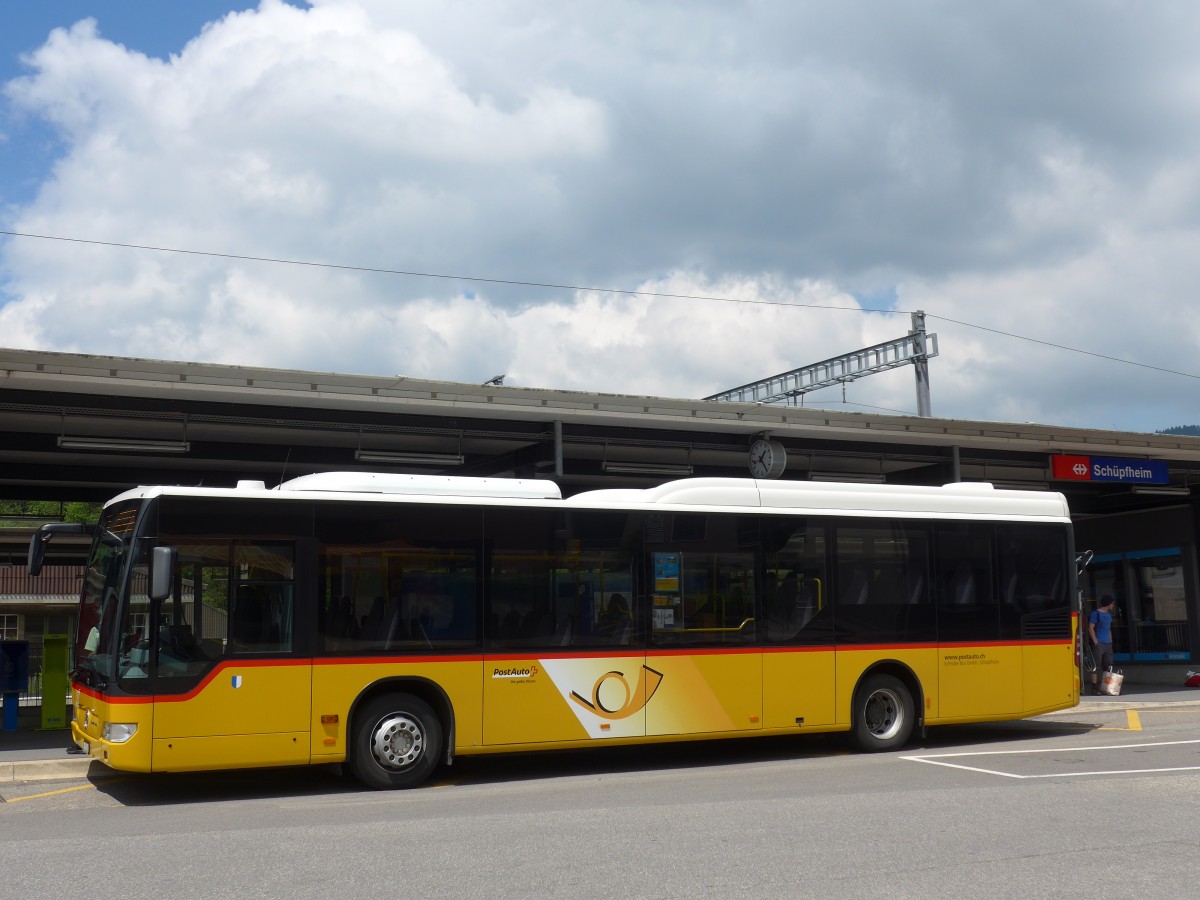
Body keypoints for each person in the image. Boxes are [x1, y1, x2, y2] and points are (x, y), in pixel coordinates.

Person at [1088, 595, 1116, 694]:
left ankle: (1107, 687)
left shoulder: (1108, 615)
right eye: (1112, 603)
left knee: (1108, 665)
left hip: (1108, 644)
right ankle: (1094, 688)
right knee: (1096, 665)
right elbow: (1091, 628)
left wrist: (1110, 641)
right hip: (1099, 643)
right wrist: (1095, 641)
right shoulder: (1095, 613)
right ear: (1108, 603)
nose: (1113, 605)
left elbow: (1109, 629)